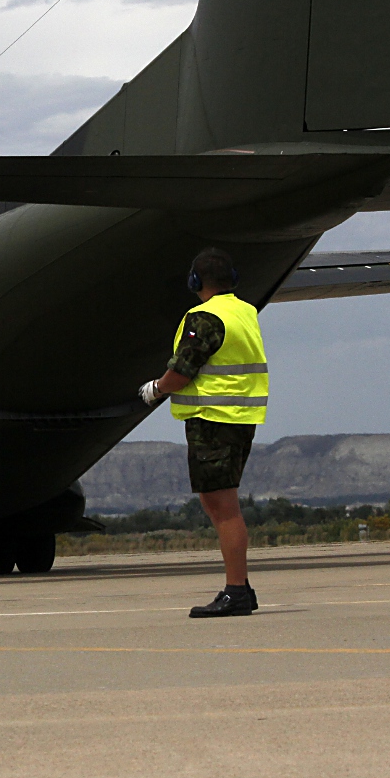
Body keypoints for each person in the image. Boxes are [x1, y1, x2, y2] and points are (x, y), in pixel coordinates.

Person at [139, 248, 268, 618]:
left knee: (223, 508)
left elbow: (183, 370)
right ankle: (241, 587)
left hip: (213, 418)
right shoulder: (244, 311)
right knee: (221, 504)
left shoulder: (206, 317)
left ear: (195, 282)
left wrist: (157, 388)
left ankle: (236, 590)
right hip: (239, 415)